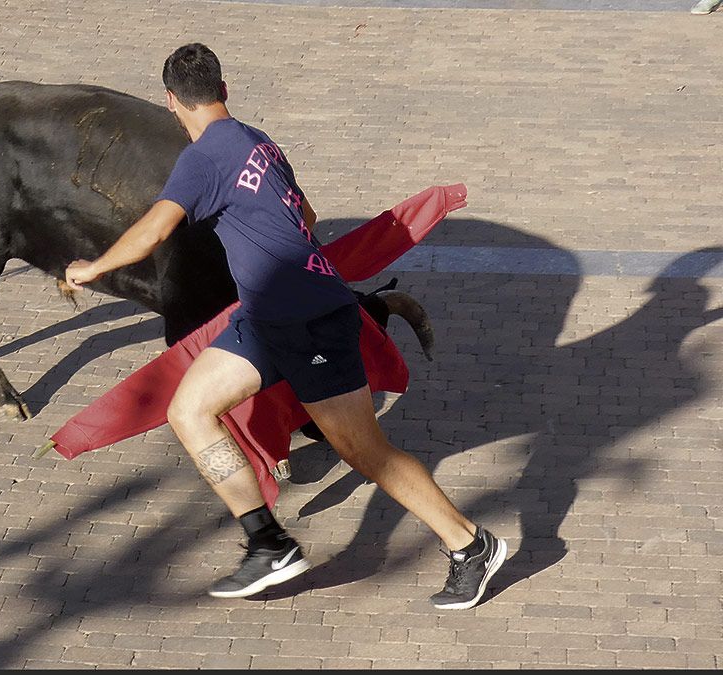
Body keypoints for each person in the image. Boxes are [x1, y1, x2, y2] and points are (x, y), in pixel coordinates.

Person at [65, 43, 506, 609]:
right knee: (189, 409)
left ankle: (470, 544)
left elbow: (153, 231)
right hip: (266, 317)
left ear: (171, 100)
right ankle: (267, 541)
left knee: (367, 453)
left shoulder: (203, 158)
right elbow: (308, 216)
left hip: (313, 322)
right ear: (223, 89)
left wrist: (92, 268)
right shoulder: (257, 142)